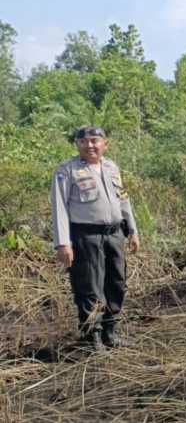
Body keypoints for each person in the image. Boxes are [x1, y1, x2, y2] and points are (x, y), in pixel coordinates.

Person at [51, 126, 140, 349]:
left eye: (94, 140)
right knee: (90, 287)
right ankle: (93, 338)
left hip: (114, 234)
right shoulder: (66, 170)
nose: (89, 145)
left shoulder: (111, 167)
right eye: (84, 141)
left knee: (117, 283)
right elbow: (59, 207)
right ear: (76, 145)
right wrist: (63, 243)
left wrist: (133, 229)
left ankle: (110, 333)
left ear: (104, 144)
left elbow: (123, 199)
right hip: (85, 236)